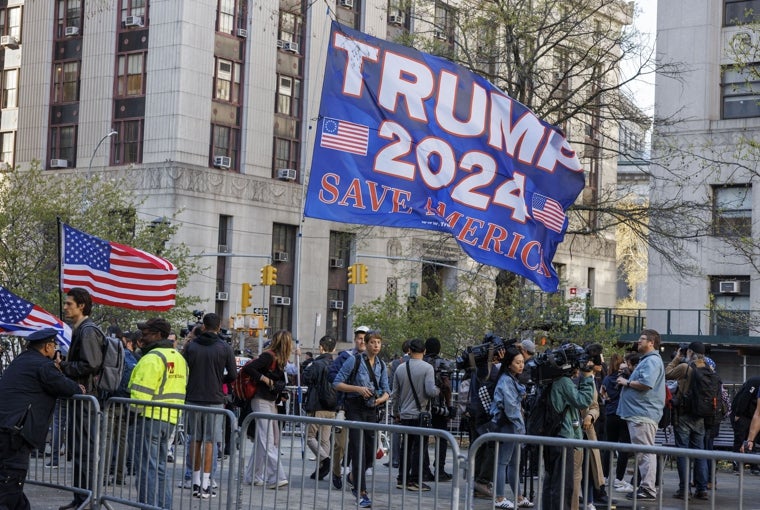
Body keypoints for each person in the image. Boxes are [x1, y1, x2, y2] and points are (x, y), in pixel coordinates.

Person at [0, 328, 83, 509]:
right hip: (16, 434)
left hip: (7, 429)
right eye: (54, 346)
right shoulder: (43, 366)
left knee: (12, 487)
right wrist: (76, 384)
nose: (55, 350)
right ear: (47, 347)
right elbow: (69, 388)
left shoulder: (21, 360)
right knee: (10, 486)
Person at [129, 317, 188, 509]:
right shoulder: (178, 358)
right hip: (170, 419)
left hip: (149, 418)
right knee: (160, 468)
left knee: (147, 468)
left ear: (158, 335)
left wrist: (130, 414)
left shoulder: (152, 358)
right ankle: (163, 506)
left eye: (146, 333)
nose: (142, 336)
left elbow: (139, 396)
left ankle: (148, 506)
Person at [58, 287, 104, 510]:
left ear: (81, 306)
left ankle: (85, 499)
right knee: (78, 450)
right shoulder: (80, 329)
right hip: (81, 399)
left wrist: (64, 365)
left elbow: (91, 364)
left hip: (88, 400)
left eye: (69, 304)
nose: (65, 307)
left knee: (85, 450)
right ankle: (80, 498)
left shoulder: (87, 331)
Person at [183, 312, 236, 499]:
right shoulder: (224, 347)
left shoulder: (191, 346)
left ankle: (195, 481)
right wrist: (218, 379)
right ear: (219, 327)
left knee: (195, 439)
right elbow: (233, 375)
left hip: (193, 396)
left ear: (203, 326)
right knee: (210, 441)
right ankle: (205, 484)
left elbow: (184, 367)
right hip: (214, 398)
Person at [334, 330, 390, 508]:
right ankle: (361, 492)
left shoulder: (381, 364)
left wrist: (381, 398)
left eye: (379, 343)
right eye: (373, 342)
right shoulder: (354, 360)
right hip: (355, 407)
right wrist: (357, 389)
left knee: (371, 449)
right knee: (358, 449)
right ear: (365, 344)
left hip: (372, 408)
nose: (376, 346)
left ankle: (353, 476)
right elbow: (337, 382)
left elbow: (387, 389)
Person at [542, 345, 596, 510]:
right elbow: (582, 401)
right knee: (563, 485)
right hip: (564, 437)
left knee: (552, 481)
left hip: (554, 435)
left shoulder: (552, 380)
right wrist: (587, 377)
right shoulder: (563, 381)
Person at [616, 329, 665, 502]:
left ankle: (648, 489)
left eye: (642, 339)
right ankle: (646, 487)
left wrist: (626, 382)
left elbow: (646, 383)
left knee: (645, 452)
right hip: (640, 413)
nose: (638, 341)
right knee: (644, 452)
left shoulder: (651, 361)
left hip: (642, 414)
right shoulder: (649, 360)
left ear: (651, 342)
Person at [242, 329, 291, 488]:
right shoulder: (269, 356)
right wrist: (265, 380)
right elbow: (249, 369)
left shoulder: (279, 359)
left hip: (269, 400)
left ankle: (253, 476)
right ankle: (276, 475)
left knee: (266, 439)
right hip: (261, 399)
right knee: (267, 439)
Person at [391, 338, 439, 491]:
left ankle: (402, 478)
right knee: (419, 449)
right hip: (420, 415)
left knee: (405, 448)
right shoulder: (427, 368)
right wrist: (440, 389)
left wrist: (396, 412)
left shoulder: (400, 368)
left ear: (409, 351)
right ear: (424, 351)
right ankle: (414, 481)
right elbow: (430, 391)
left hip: (405, 415)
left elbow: (395, 395)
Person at [665, 341, 710, 500]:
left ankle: (684, 489)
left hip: (683, 415)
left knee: (682, 452)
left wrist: (677, 357)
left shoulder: (685, 367)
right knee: (699, 452)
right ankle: (702, 489)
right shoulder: (707, 368)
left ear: (689, 351)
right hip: (700, 416)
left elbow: (667, 373)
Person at [489, 346, 532, 509]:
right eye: (518, 362)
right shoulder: (506, 380)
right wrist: (522, 430)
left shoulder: (512, 379)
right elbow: (511, 409)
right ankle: (499, 498)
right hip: (507, 424)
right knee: (503, 463)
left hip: (512, 425)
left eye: (522, 362)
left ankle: (519, 497)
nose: (521, 365)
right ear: (509, 364)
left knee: (514, 463)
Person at [328, 325, 369, 489]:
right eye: (359, 338)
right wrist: (349, 383)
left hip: (365, 408)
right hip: (344, 407)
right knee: (340, 445)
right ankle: (337, 472)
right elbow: (332, 375)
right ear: (355, 340)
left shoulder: (373, 359)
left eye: (365, 339)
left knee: (362, 445)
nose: (362, 341)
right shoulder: (345, 357)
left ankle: (354, 475)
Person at [302, 335, 337, 481]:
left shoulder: (317, 364)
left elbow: (306, 378)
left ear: (320, 348)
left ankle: (325, 460)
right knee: (324, 439)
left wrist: (307, 364)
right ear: (334, 349)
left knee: (310, 437)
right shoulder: (336, 364)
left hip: (317, 405)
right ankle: (322, 469)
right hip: (332, 407)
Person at [600, 353, 634, 493]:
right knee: (624, 448)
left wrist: (608, 400)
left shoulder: (607, 379)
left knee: (609, 446)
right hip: (624, 413)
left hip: (610, 414)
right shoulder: (627, 378)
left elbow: (602, 395)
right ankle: (619, 478)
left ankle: (606, 475)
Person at [423, 337, 454, 481]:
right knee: (441, 439)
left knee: (422, 438)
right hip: (439, 407)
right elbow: (447, 386)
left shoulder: (421, 362)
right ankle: (440, 470)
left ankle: (425, 470)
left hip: (423, 406)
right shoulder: (444, 364)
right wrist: (449, 405)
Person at [732, 376, 760, 473]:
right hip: (743, 414)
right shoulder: (755, 382)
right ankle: (738, 464)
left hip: (751, 414)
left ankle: (753, 464)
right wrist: (738, 413)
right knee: (740, 438)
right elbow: (745, 397)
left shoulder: (755, 381)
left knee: (752, 439)